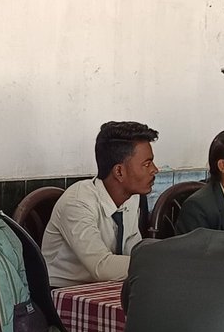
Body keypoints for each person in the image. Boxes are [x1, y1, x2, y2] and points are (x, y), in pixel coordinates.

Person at [42, 120, 159, 288]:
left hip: (108, 287)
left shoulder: (132, 198)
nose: (155, 170)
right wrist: (158, 263)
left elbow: (134, 252)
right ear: (119, 171)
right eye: (147, 164)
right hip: (62, 293)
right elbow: (101, 267)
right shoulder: (77, 203)